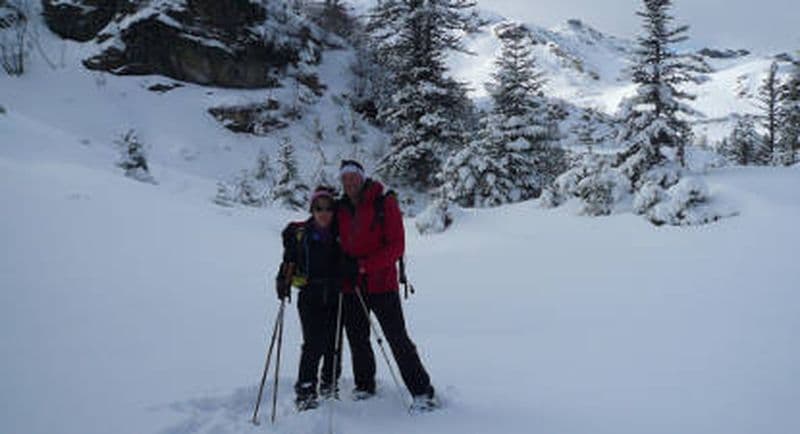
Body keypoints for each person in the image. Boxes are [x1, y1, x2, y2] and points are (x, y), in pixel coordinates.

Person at [336, 160, 438, 411]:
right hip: (351, 286)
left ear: (362, 178)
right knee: (357, 339)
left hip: (382, 285)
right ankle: (364, 385)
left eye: (353, 177)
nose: (349, 183)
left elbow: (396, 247)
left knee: (397, 339)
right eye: (345, 178)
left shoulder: (384, 202)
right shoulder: (341, 207)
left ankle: (422, 392)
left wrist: (362, 266)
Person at [276, 186, 343, 411]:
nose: (324, 213)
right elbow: (289, 261)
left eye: (328, 208)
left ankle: (329, 384)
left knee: (333, 342)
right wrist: (282, 279)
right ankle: (305, 390)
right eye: (319, 208)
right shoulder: (300, 235)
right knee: (313, 343)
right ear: (312, 210)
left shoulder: (340, 234)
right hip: (310, 294)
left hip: (335, 294)